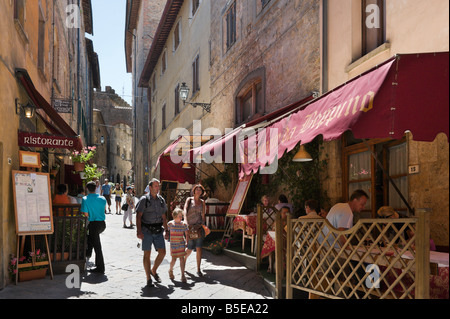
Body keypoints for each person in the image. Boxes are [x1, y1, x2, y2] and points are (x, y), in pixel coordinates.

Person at [136, 178, 168, 287]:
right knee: (147, 254)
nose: (157, 188)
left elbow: (164, 216)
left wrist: (167, 230)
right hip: (146, 230)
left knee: (162, 252)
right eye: (155, 186)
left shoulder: (161, 200)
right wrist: (139, 231)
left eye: (158, 186)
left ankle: (153, 270)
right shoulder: (144, 199)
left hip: (158, 230)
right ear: (150, 188)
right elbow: (138, 216)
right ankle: (148, 278)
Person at [81, 181, 107, 274]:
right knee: (93, 240)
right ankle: (89, 255)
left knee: (97, 246)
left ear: (87, 189)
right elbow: (103, 210)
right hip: (102, 224)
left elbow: (86, 214)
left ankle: (100, 267)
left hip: (93, 224)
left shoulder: (85, 199)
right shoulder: (103, 198)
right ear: (96, 188)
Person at [183, 184, 206, 277]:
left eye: (200, 190)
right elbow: (184, 209)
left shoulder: (202, 202)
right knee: (189, 248)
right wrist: (185, 220)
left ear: (202, 192)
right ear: (194, 191)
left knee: (199, 247)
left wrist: (203, 225)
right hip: (189, 227)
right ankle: (183, 261)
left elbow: (203, 215)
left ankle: (198, 269)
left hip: (198, 227)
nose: (198, 191)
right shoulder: (189, 200)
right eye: (196, 189)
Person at [167, 207, 188, 283]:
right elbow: (166, 231)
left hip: (181, 243)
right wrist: (164, 234)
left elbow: (186, 234)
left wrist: (187, 242)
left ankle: (183, 275)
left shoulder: (183, 224)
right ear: (175, 216)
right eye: (179, 216)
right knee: (174, 259)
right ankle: (170, 270)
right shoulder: (170, 224)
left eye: (181, 216)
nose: (181, 217)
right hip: (174, 245)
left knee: (182, 258)